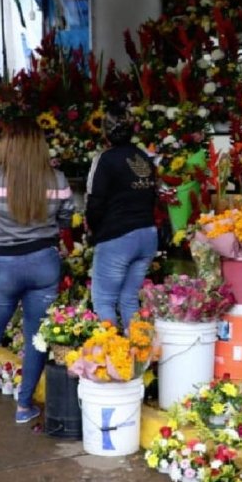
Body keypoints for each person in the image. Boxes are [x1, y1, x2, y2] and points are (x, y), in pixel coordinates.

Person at [0, 118, 75, 423]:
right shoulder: (57, 180)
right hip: (44, 263)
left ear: (7, 146)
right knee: (36, 338)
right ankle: (24, 407)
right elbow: (66, 219)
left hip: (3, 266)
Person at [86, 103, 157, 330]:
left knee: (104, 300)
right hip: (147, 233)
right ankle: (138, 349)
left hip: (117, 236)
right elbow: (153, 196)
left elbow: (95, 203)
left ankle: (111, 351)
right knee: (129, 299)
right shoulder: (143, 157)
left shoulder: (106, 159)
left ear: (105, 131)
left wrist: (94, 232)